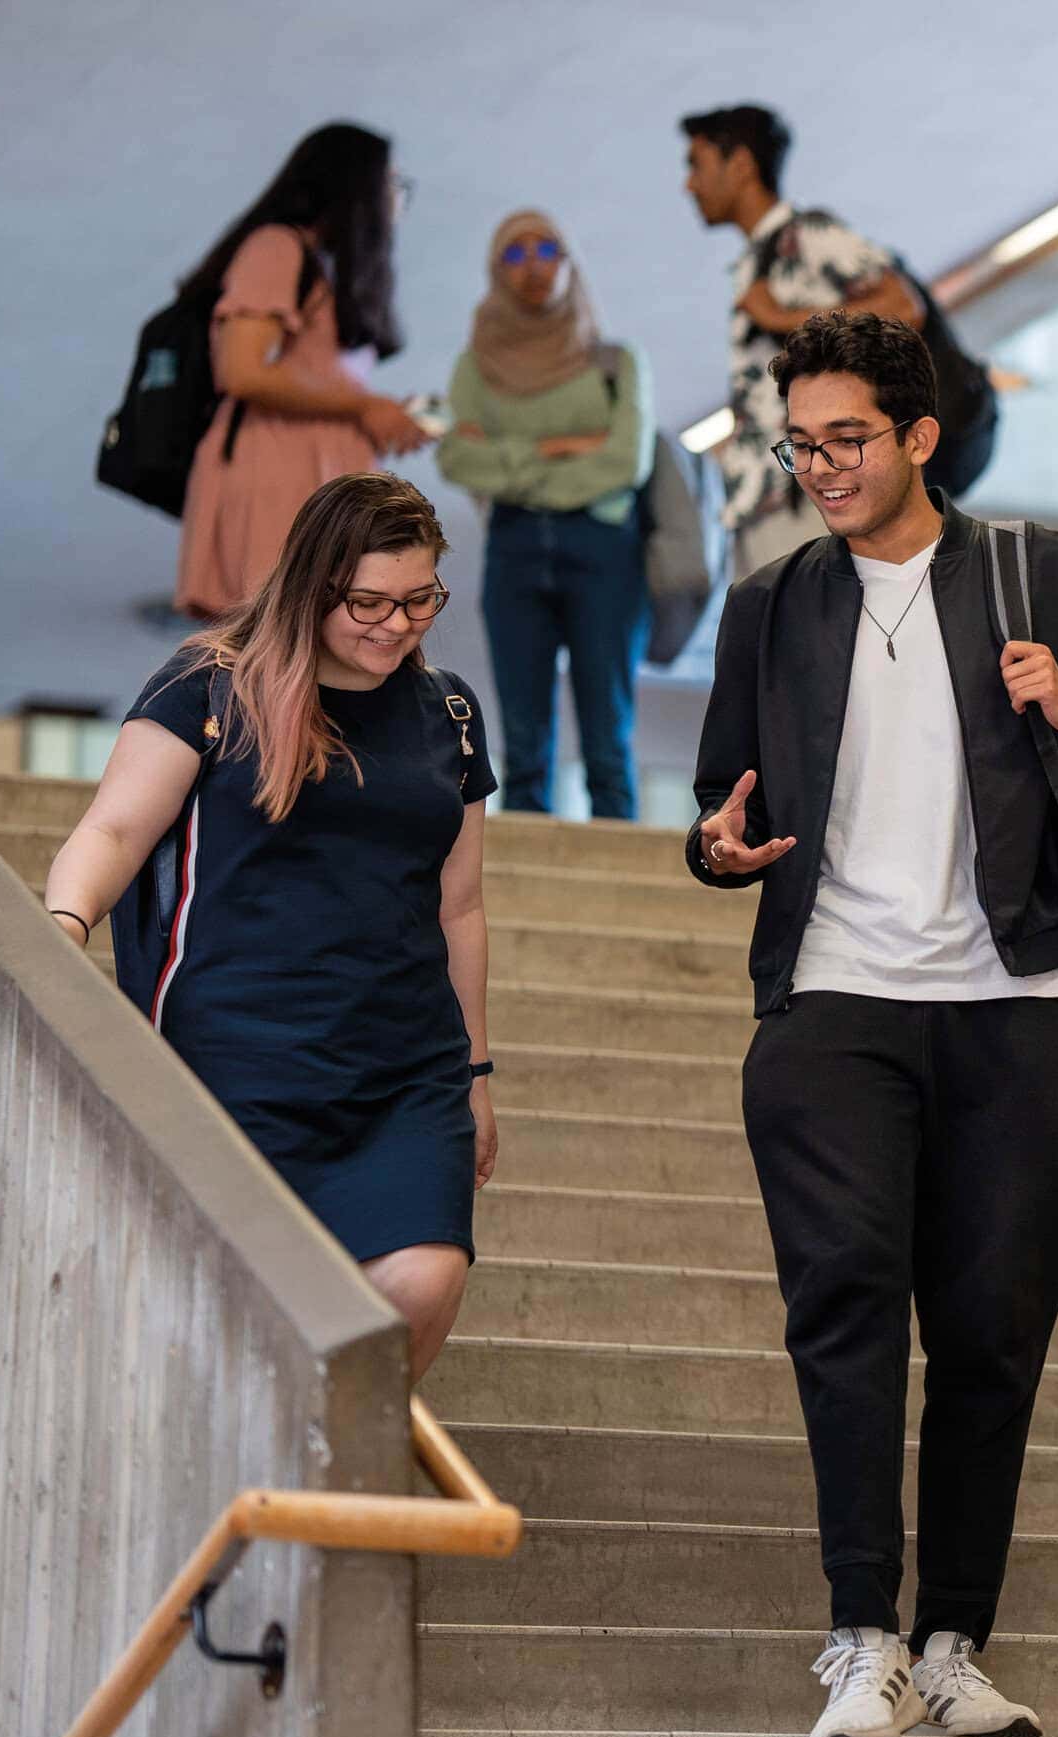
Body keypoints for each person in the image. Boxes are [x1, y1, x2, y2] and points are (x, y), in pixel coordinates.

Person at [686, 311, 1058, 1737]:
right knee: (844, 1302)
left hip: (1017, 1004)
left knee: (989, 1333)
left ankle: (955, 1641)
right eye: (802, 444)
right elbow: (726, 800)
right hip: (835, 996)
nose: (822, 468)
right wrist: (716, 848)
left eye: (848, 440)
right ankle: (861, 1638)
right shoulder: (773, 606)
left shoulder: (1035, 570)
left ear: (918, 439)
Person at [44, 473, 497, 1377]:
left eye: (420, 600)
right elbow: (115, 828)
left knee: (422, 1279)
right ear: (313, 584)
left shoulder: (448, 713)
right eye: (368, 600)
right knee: (229, 1316)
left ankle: (330, 1489)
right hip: (235, 1055)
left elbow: (460, 905)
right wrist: (61, 925)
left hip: (405, 1067)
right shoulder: (211, 685)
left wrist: (477, 1072)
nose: (397, 624)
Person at [435, 210, 656, 817]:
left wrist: (510, 463)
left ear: (569, 261)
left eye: (547, 249)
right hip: (515, 548)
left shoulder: (617, 361)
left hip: (605, 549)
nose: (533, 265)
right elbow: (455, 456)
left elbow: (625, 463)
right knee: (523, 742)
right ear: (495, 272)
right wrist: (560, 451)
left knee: (608, 737)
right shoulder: (476, 366)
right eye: (514, 253)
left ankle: (623, 898)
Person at [175, 122, 429, 618]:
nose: (397, 198)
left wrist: (380, 415)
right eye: (390, 182)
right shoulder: (276, 247)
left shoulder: (326, 270)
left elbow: (311, 377)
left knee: (305, 645)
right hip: (275, 465)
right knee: (276, 641)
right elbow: (243, 371)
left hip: (317, 476)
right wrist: (363, 405)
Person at [680, 104, 929, 578]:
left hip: (806, 494)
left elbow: (903, 305)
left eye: (697, 164)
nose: (688, 184)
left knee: (816, 642)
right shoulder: (756, 259)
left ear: (741, 166)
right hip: (763, 496)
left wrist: (778, 315)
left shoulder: (808, 234)